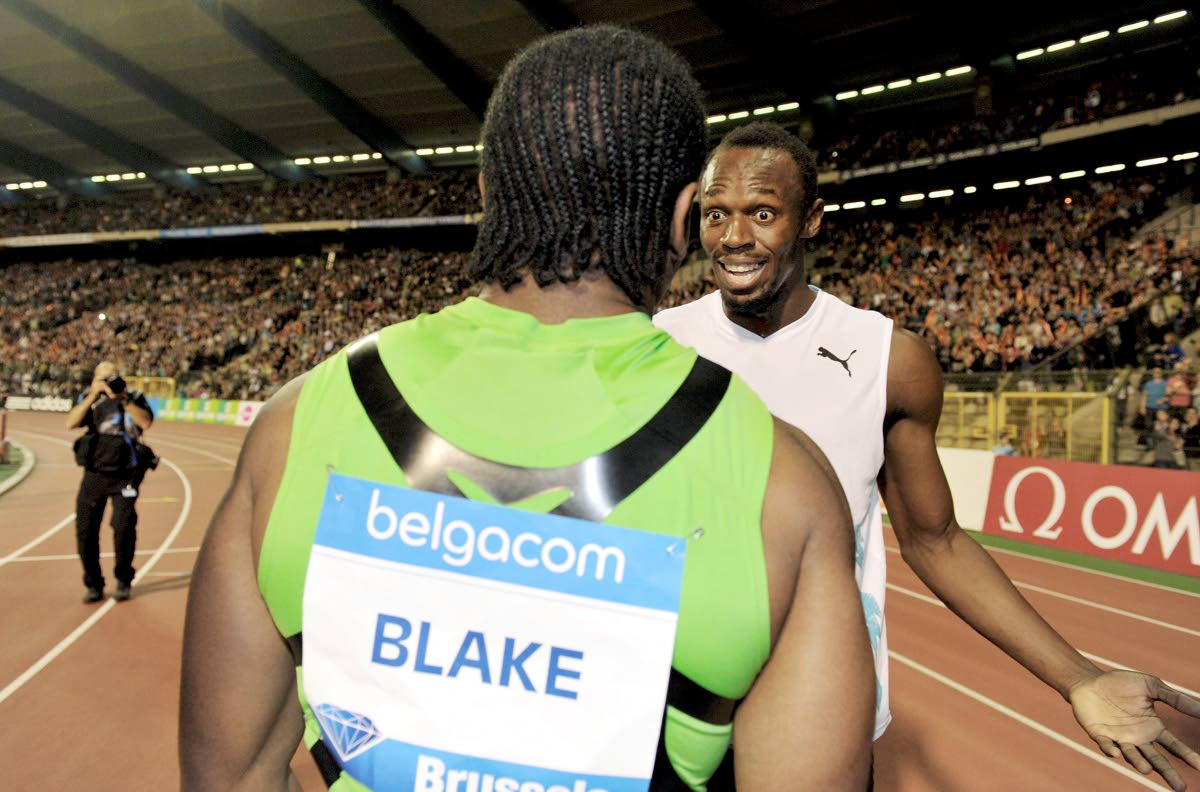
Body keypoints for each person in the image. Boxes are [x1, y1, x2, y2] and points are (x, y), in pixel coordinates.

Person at [180, 27, 874, 792]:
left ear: (486, 192)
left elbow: (228, 772)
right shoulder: (785, 485)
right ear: (684, 216)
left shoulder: (294, 423)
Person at [655, 121, 1200, 791]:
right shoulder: (656, 347)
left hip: (819, 714)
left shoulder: (890, 359)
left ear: (811, 219)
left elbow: (935, 540)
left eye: (761, 213)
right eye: (717, 214)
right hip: (669, 704)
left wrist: (1079, 677)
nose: (734, 237)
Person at [64, 361, 154, 603]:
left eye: (112, 376)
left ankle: (123, 578)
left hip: (126, 475)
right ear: (94, 379)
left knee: (123, 527)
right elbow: (70, 423)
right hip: (94, 474)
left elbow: (145, 423)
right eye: (103, 378)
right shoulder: (89, 399)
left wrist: (123, 399)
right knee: (85, 531)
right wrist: (93, 394)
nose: (108, 382)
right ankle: (94, 583)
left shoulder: (133, 397)